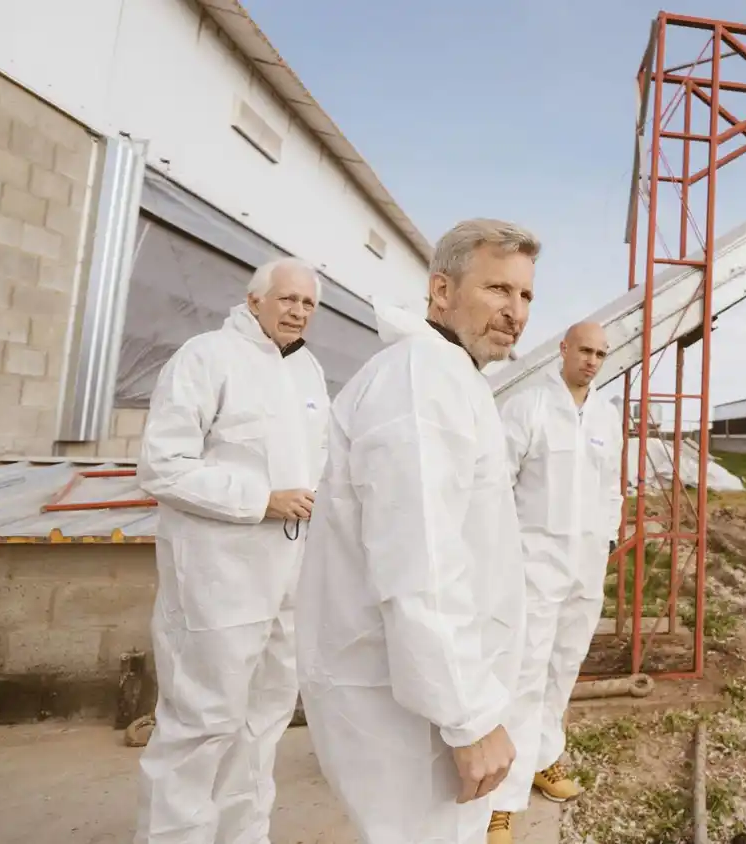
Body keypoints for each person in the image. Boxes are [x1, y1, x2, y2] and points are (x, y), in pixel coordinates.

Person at [295, 218, 540, 844]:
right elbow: (421, 563)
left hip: (426, 692)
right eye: (497, 290)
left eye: (526, 296)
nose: (515, 312)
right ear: (440, 291)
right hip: (412, 705)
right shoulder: (419, 382)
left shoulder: (449, 377)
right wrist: (470, 718)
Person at [134, 257, 330, 844]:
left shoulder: (309, 372)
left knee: (263, 722)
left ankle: (243, 836)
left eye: (308, 304)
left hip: (288, 577)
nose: (298, 312)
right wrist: (260, 499)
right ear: (254, 301)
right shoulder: (205, 357)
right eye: (287, 299)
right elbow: (163, 467)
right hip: (219, 579)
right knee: (201, 723)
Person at [490, 321, 624, 838]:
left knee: (562, 668)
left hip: (585, 564)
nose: (592, 361)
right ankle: (501, 796)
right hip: (534, 561)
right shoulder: (529, 407)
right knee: (522, 672)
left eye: (601, 354)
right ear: (563, 350)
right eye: (584, 350)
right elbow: (497, 482)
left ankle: (544, 759)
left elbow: (612, 486)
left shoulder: (605, 416)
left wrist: (607, 540)